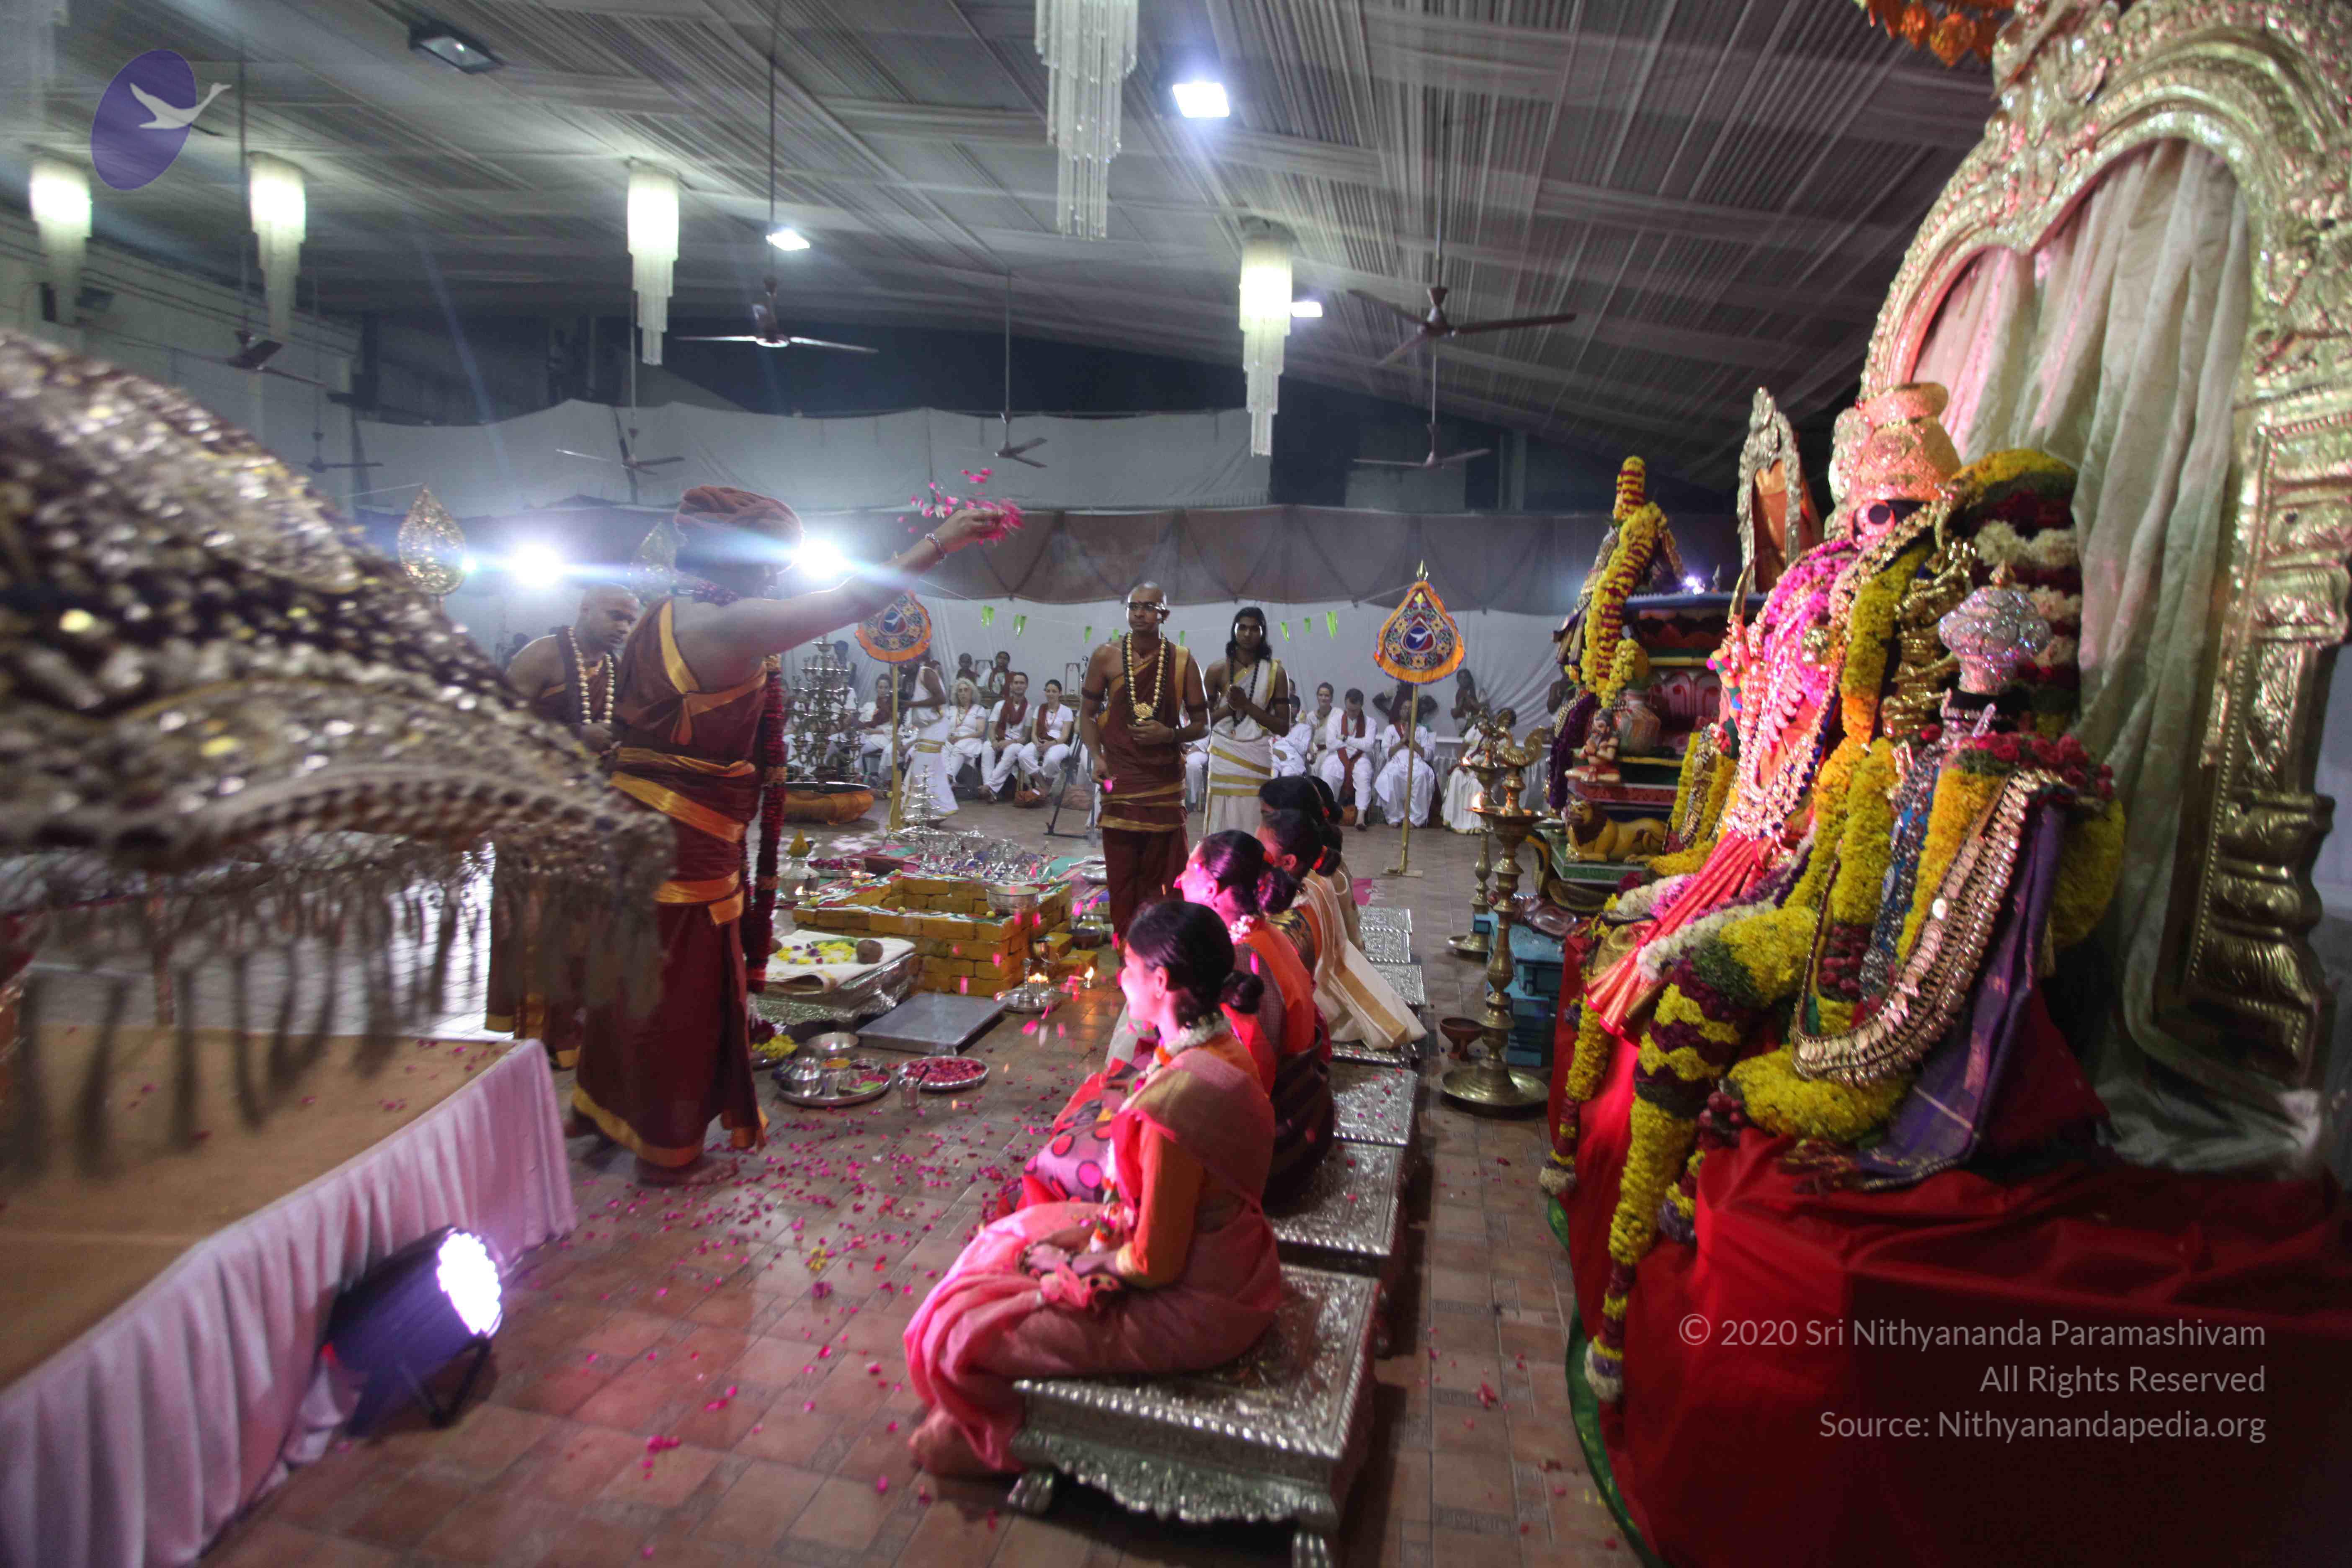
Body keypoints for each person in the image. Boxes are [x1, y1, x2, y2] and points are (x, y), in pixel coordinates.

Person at [570, 485, 1004, 1185]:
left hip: (639, 829)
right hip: (681, 841)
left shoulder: (662, 614)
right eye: (772, 563)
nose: (777, 576)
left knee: (634, 979)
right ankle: (666, 1145)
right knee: (681, 991)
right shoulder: (731, 624)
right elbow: (853, 600)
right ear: (741, 562)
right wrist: (942, 541)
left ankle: (610, 1112)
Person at [903, 900, 1283, 1479]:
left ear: (1161, 982)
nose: (1120, 979)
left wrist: (1074, 1265)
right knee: (1010, 1236)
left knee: (964, 1333)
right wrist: (1082, 1239)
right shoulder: (1222, 1045)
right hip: (1238, 1258)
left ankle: (1005, 1437)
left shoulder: (1174, 1107)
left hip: (1200, 1298)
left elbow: (1154, 1264)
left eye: (1128, 968)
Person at [485, 584, 643, 1059]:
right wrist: (574, 736)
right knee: (538, 925)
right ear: (584, 609)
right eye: (615, 615)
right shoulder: (541, 656)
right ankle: (536, 1036)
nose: (623, 627)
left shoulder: (613, 668)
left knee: (586, 926)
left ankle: (573, 1033)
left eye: (629, 619)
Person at [1178, 831, 1333, 1201]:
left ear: (1212, 889)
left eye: (1188, 869)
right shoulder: (1265, 934)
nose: (1178, 880)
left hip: (1276, 1146)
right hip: (1305, 1114)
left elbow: (1250, 1078)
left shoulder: (1239, 965)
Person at [1080, 583, 1210, 938]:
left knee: (1165, 872)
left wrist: (1169, 734)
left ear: (1164, 615)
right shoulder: (1105, 656)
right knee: (1122, 871)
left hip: (1163, 781)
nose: (1139, 613)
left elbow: (1203, 724)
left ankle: (1164, 943)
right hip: (1119, 777)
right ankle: (1127, 943)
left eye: (1149, 607)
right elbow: (1087, 713)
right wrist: (1097, 757)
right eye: (1133, 606)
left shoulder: (1183, 660)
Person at [1256, 795, 1424, 1052]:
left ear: (1288, 862)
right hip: (1332, 973)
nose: (1256, 856)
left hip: (1315, 997)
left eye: (1262, 852)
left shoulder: (1296, 903)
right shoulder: (1315, 879)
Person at [1201, 607, 1291, 836]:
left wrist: (1247, 706)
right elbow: (1202, 723)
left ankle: (1253, 857)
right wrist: (1230, 708)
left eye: (1254, 629)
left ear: (1263, 633)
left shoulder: (1276, 673)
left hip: (1257, 753)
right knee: (1222, 818)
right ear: (1234, 630)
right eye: (1242, 628)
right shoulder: (1216, 670)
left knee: (1255, 817)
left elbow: (1283, 727)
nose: (1247, 634)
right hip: (1223, 753)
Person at [1442, 705, 1517, 834]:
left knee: (1479, 786)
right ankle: (1451, 820)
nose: (1504, 724)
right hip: (1468, 767)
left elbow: (1506, 761)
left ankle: (1478, 825)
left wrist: (1495, 753)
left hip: (1487, 771)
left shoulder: (1507, 739)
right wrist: (1461, 764)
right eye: (1502, 719)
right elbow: (1463, 750)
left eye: (1508, 722)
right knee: (1457, 777)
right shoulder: (1478, 729)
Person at [901, 657, 956, 818]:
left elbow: (941, 698)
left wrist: (911, 705)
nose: (905, 665)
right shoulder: (909, 679)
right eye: (902, 663)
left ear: (916, 660)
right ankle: (922, 814)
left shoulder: (926, 673)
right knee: (931, 770)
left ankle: (938, 810)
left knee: (921, 770)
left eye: (908, 661)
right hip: (925, 728)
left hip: (936, 726)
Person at [1007, 677, 1077, 799]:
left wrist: (1050, 744)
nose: (1050, 694)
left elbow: (1065, 736)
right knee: (1023, 756)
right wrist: (1037, 744)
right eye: (1048, 691)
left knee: (1052, 760)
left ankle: (1045, 788)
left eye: (1054, 691)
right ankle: (1045, 787)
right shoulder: (1040, 709)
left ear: (1060, 693)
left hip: (1059, 743)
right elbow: (1034, 733)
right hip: (1039, 741)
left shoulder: (1066, 711)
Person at [1375, 694, 1438, 827]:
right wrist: (1403, 741)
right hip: (1396, 762)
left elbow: (1428, 755)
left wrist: (1412, 741)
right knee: (1393, 776)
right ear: (1400, 711)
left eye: (1411, 708)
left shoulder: (1422, 731)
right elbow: (1387, 753)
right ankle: (1394, 817)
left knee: (1421, 776)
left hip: (1417, 762)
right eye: (1405, 708)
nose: (1408, 711)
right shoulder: (1391, 729)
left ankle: (1416, 819)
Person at [1316, 687, 1375, 829]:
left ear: (1362, 706)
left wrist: (1345, 739)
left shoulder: (1370, 722)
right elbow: (1331, 745)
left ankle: (1360, 817)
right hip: (1338, 754)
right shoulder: (1335, 720)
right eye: (1349, 710)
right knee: (1328, 773)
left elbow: (1368, 746)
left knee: (1364, 775)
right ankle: (1328, 814)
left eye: (1355, 711)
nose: (1352, 713)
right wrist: (1355, 742)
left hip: (1360, 755)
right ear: (1345, 704)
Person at [981, 670, 1031, 797]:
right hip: (999, 739)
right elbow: (992, 728)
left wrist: (1009, 742)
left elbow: (1026, 738)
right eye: (1016, 683)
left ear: (1026, 686)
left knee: (1012, 750)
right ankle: (990, 789)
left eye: (1022, 683)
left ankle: (989, 787)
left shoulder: (1029, 709)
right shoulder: (1000, 705)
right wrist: (994, 741)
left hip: (1016, 743)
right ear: (1011, 686)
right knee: (987, 747)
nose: (1019, 686)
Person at [944, 677, 989, 791]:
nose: (963, 693)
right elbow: (944, 728)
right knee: (942, 746)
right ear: (957, 694)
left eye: (966, 690)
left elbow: (980, 732)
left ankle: (949, 777)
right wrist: (949, 737)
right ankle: (950, 778)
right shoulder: (951, 710)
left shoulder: (979, 709)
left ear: (972, 693)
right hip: (952, 739)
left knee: (959, 748)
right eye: (960, 691)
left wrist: (961, 738)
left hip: (971, 740)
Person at [856, 675, 896, 780]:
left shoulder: (894, 706)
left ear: (890, 689)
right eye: (881, 687)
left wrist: (875, 732)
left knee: (858, 747)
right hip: (868, 734)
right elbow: (862, 722)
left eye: (886, 688)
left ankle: (858, 775)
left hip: (883, 736)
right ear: (876, 688)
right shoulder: (869, 705)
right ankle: (857, 773)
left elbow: (895, 728)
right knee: (855, 743)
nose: (883, 690)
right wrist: (864, 729)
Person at [1270, 694, 1314, 778]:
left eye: (1293, 706)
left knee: (1287, 775)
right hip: (1275, 757)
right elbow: (1267, 744)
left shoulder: (1305, 728)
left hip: (1293, 761)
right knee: (1272, 775)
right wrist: (1275, 752)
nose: (1290, 709)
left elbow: (1303, 750)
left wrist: (1290, 735)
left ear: (1298, 710)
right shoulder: (1276, 726)